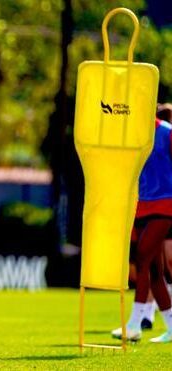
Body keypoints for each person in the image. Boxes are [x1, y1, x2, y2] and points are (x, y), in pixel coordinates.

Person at [112, 104, 172, 342]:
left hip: (165, 204)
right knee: (155, 270)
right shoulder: (133, 134)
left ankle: (134, 323)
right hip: (142, 205)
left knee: (142, 258)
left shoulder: (167, 132)